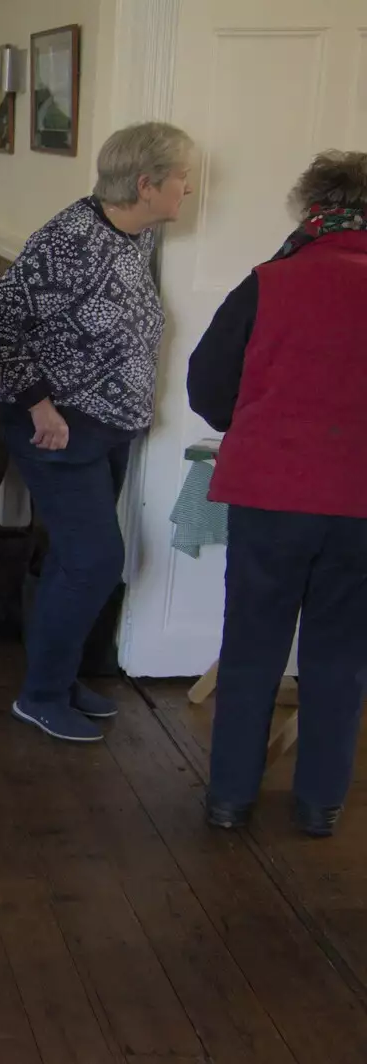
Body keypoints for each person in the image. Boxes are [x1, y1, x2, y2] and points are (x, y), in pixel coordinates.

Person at [0, 121, 194, 743]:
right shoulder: (69, 240)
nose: (191, 188)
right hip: (57, 431)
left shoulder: (135, 235)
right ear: (146, 184)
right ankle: (40, 694)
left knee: (78, 558)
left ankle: (61, 679)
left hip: (109, 428)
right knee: (97, 560)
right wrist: (40, 404)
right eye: (182, 177)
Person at [188, 150, 367, 838]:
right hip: (361, 505)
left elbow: (207, 389)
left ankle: (230, 799)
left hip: (273, 494)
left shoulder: (270, 281)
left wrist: (264, 420)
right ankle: (320, 804)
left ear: (311, 206)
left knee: (253, 646)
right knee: (342, 655)